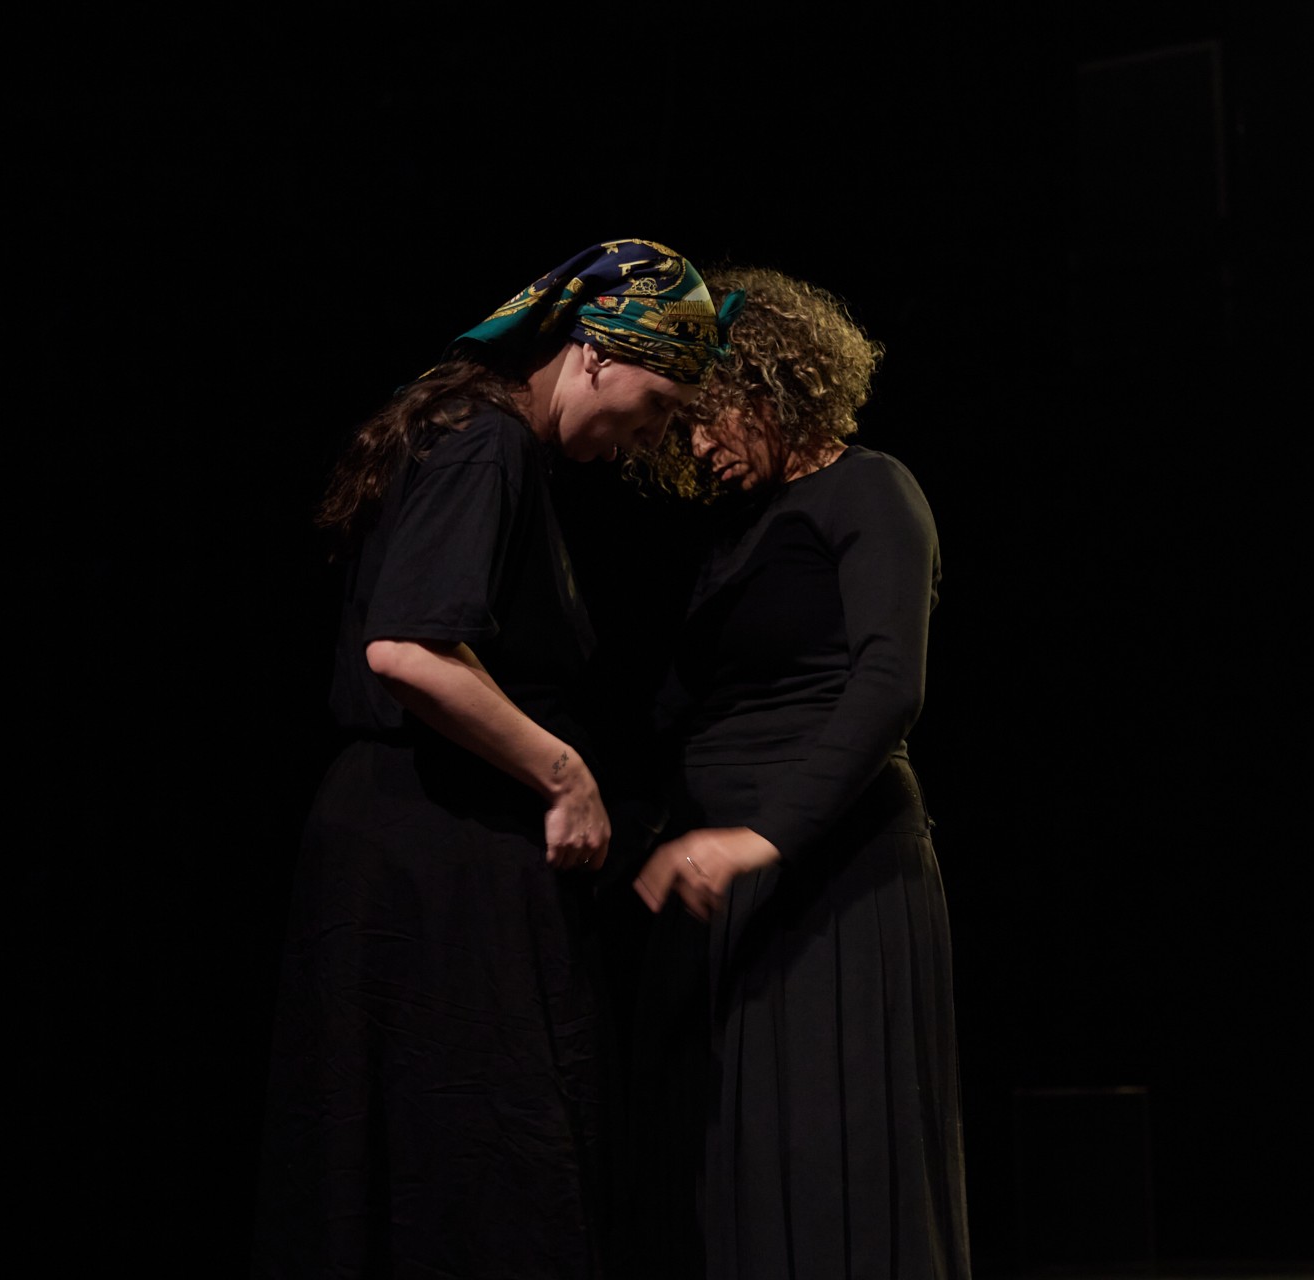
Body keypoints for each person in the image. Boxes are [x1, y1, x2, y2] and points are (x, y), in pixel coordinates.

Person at [253, 239, 741, 1279]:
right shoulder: (490, 444)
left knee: (431, 1157)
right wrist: (567, 775)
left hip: (413, 842)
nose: (652, 435)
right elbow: (408, 649)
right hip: (432, 846)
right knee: (481, 1152)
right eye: (657, 404)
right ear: (597, 352)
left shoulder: (483, 441)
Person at [630, 266, 971, 1278]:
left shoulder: (872, 489)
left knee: (831, 1155)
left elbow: (887, 685)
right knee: (730, 1166)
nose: (698, 446)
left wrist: (762, 835)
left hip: (834, 871)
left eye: (710, 418)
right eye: (683, 426)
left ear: (769, 385)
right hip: (726, 883)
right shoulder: (733, 532)